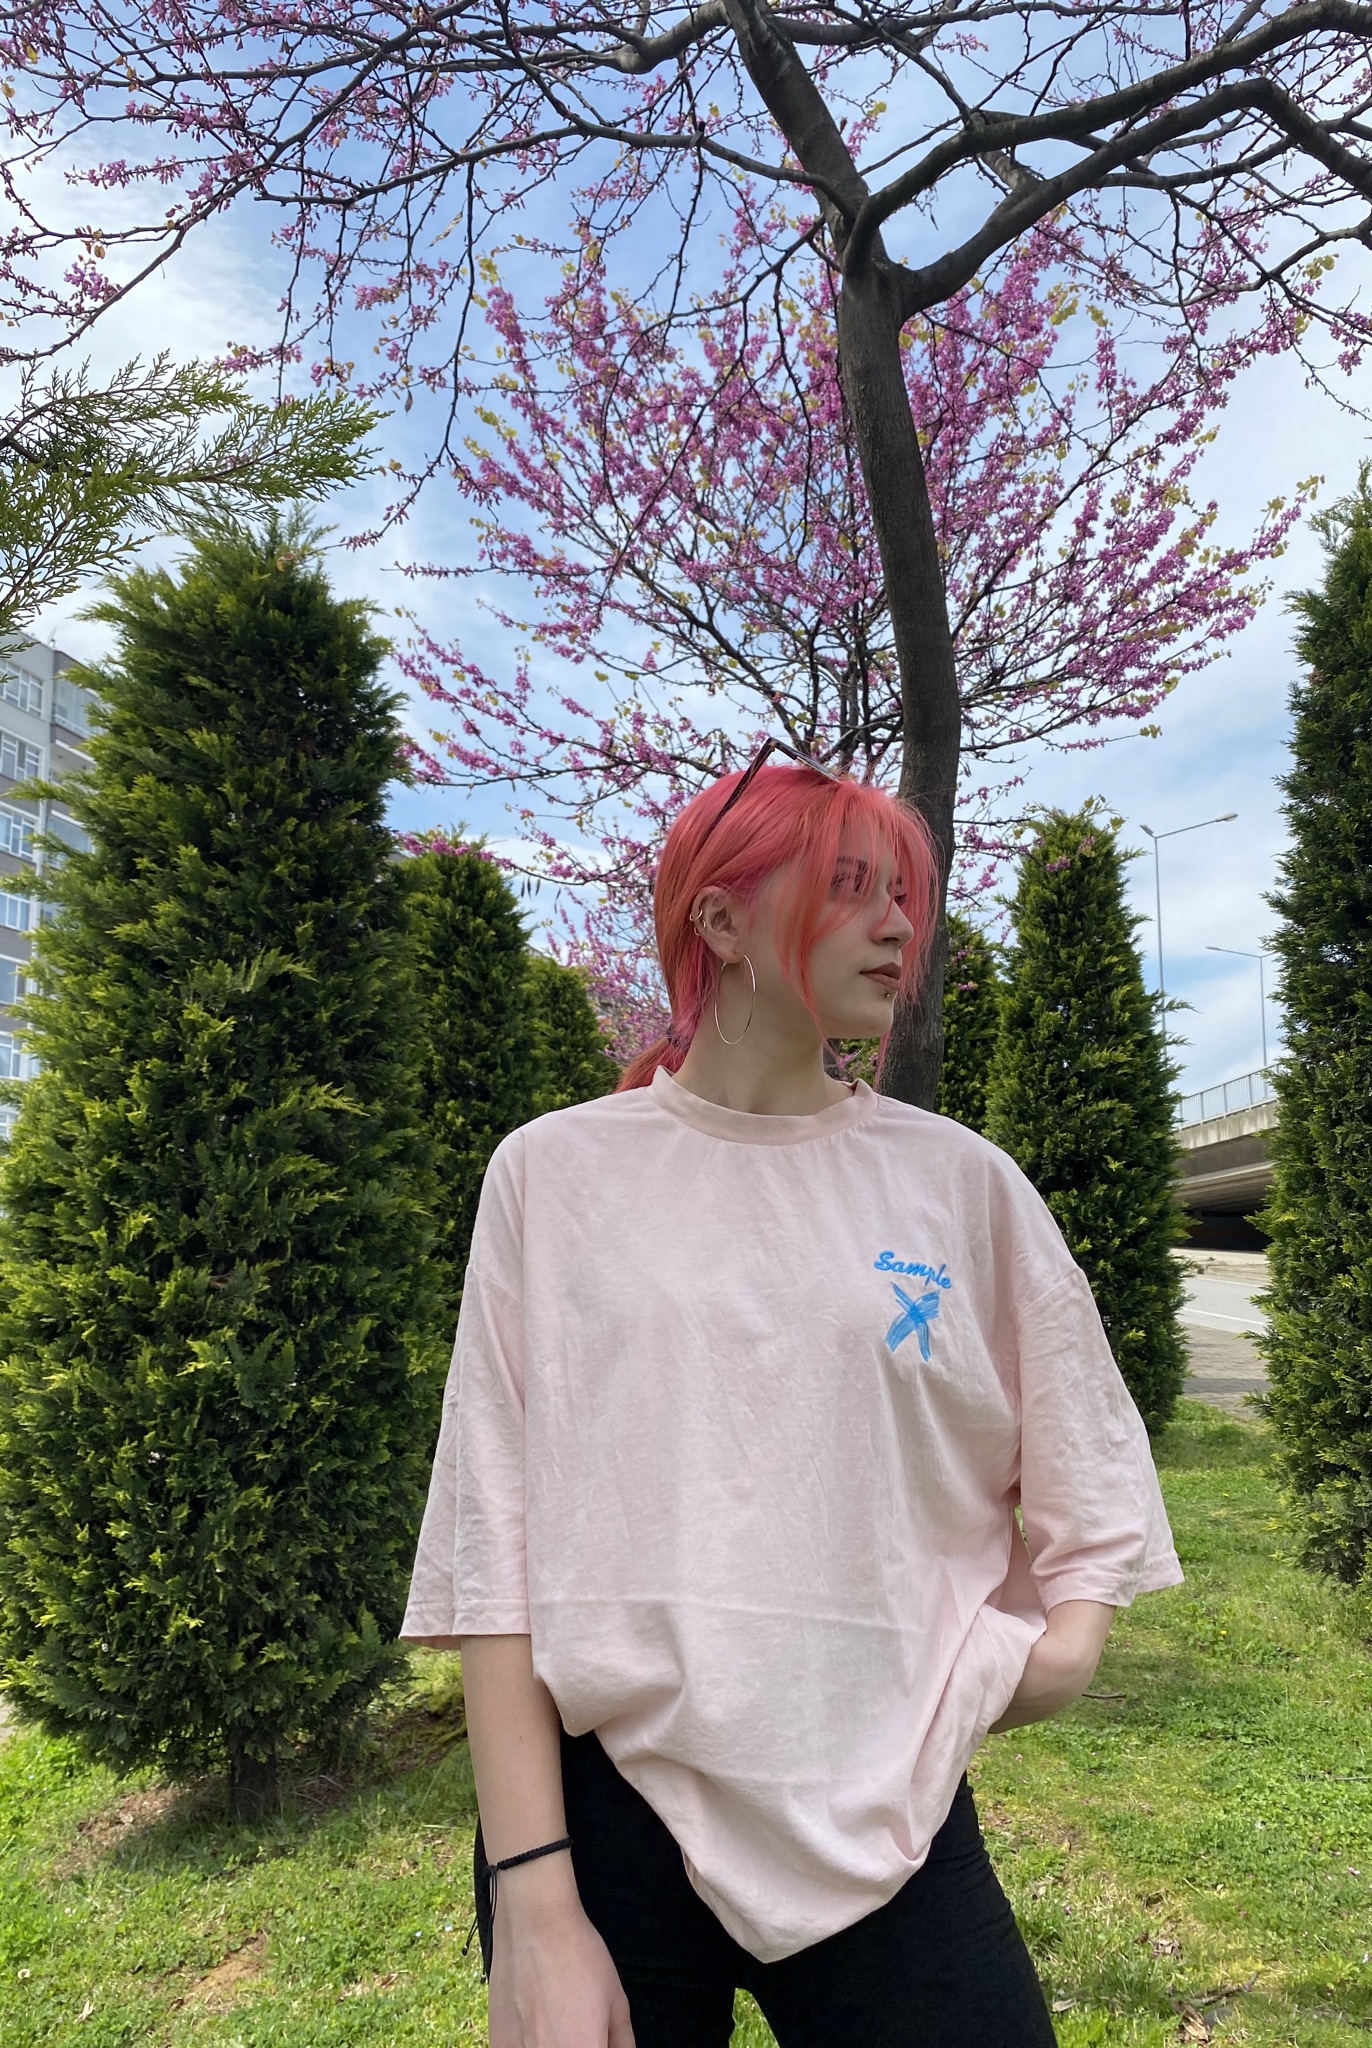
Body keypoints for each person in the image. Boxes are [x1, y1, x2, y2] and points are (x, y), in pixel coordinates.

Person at [401, 751, 1182, 2048]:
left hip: (886, 1803)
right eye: (853, 886)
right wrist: (534, 1897)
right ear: (718, 918)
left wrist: (1056, 1651)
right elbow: (497, 1548)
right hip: (605, 1820)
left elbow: (1087, 1455)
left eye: (905, 895)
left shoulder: (960, 1184)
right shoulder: (552, 1177)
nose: (900, 927)